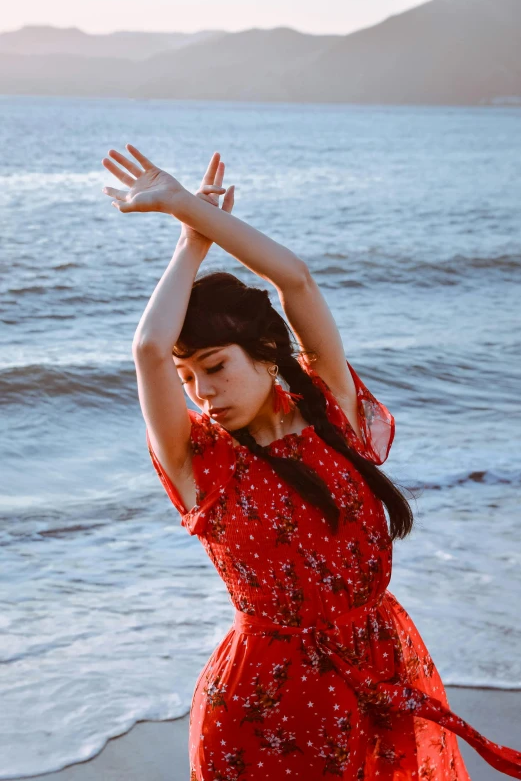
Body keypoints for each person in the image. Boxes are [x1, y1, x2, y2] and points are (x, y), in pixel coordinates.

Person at [101, 145, 521, 780]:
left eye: (214, 367)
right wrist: (189, 243)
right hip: (257, 706)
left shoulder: (336, 415)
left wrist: (192, 209)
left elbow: (293, 280)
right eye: (187, 380)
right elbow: (148, 349)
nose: (202, 393)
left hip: (378, 664)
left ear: (268, 355)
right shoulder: (198, 463)